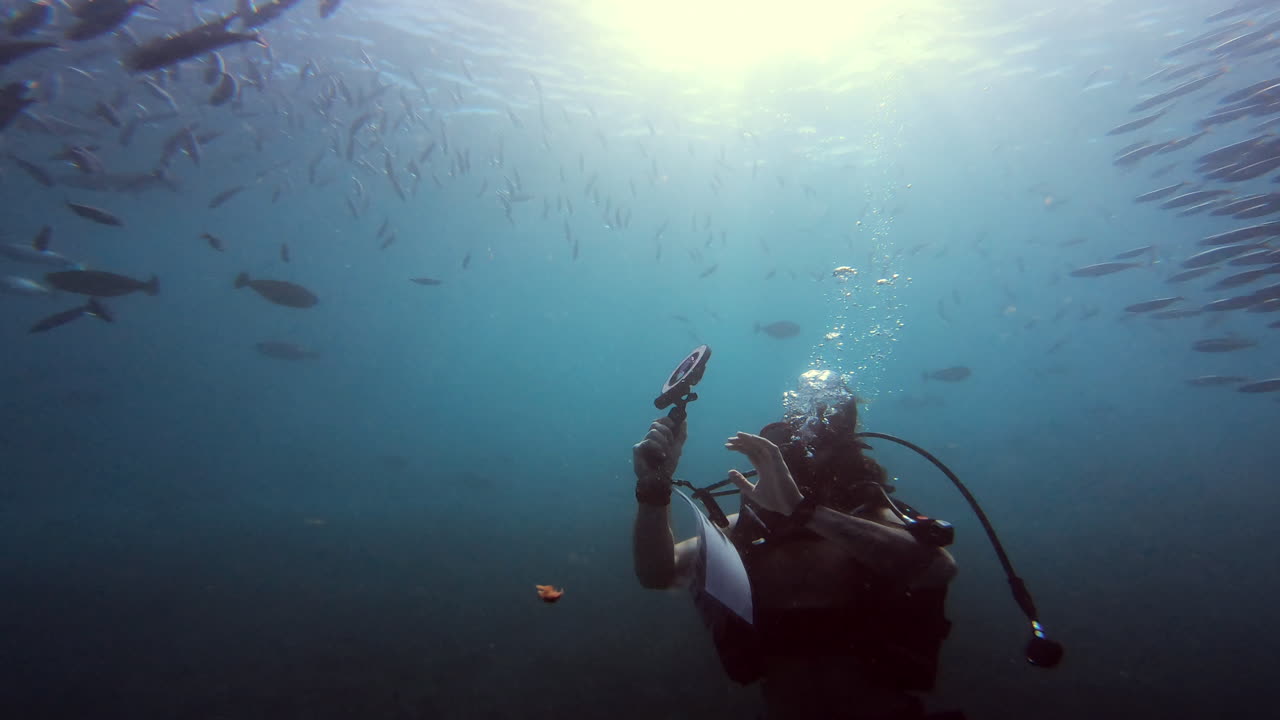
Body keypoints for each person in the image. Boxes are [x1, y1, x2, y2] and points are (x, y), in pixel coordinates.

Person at [632, 392, 959, 720]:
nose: (800, 463)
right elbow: (658, 572)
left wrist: (804, 511)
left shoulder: (871, 519)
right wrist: (653, 489)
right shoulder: (750, 529)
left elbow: (938, 566)